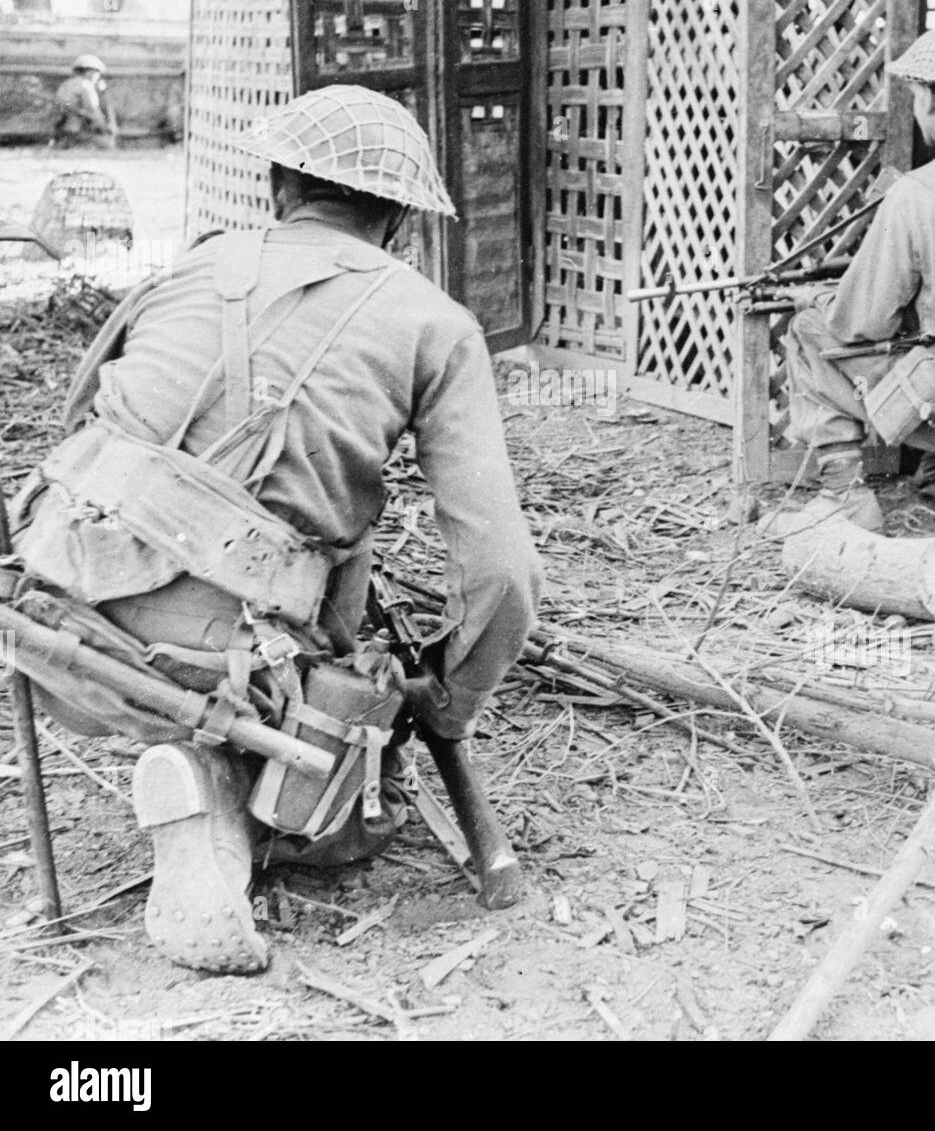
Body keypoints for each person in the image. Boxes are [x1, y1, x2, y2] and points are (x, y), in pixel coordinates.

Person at [11, 86, 542, 973]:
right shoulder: (435, 325)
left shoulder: (186, 270)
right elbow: (501, 573)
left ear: (274, 188)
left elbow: (76, 427)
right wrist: (448, 696)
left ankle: (198, 813)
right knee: (345, 824)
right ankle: (228, 810)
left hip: (55, 623)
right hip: (222, 659)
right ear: (402, 225)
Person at [766, 26, 935, 535]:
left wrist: (813, 296)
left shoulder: (918, 192)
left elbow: (859, 322)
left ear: (929, 97)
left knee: (809, 329)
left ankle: (845, 498)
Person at [52, 54, 117, 149]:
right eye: (97, 73)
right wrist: (107, 128)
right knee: (108, 145)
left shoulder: (65, 85)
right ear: (90, 72)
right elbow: (93, 110)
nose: (98, 77)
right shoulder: (86, 85)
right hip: (80, 132)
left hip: (62, 131)